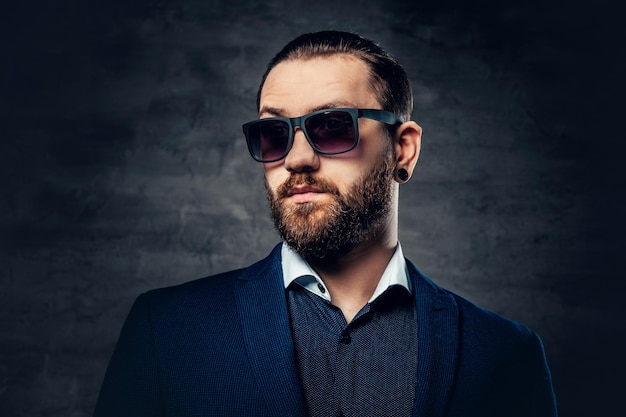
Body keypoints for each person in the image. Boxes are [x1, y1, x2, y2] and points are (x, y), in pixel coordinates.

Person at [94, 30, 557, 417]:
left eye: (333, 126)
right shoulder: (168, 331)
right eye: (274, 134)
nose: (296, 158)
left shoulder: (506, 356)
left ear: (403, 149)